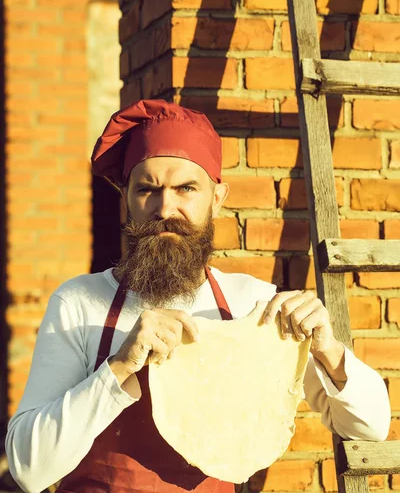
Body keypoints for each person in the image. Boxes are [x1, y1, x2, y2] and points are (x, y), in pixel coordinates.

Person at [6, 100, 391, 493]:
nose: (164, 208)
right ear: (126, 197)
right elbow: (28, 469)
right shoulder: (79, 303)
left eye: (185, 188)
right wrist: (119, 367)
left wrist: (330, 351)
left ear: (217, 198)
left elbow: (371, 427)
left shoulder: (252, 307)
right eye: (147, 189)